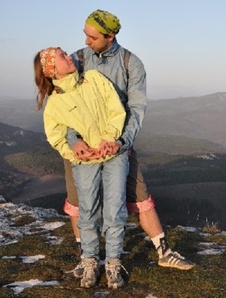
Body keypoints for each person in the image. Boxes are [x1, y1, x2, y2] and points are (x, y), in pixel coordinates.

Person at [63, 9, 195, 277]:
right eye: (85, 35)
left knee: (139, 195)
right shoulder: (77, 59)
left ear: (110, 36)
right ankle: (85, 258)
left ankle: (164, 252)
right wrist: (74, 140)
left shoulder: (130, 64)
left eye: (93, 37)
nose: (86, 42)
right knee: (78, 202)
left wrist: (122, 142)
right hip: (81, 147)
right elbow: (67, 105)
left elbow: (136, 109)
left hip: (117, 146)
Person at [34, 47, 128, 289]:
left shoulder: (95, 79)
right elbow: (56, 137)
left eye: (66, 53)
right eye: (62, 57)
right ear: (51, 70)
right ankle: (90, 261)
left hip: (114, 154)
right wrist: (73, 150)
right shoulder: (54, 104)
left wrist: (110, 138)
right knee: (87, 212)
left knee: (115, 210)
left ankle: (114, 262)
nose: (69, 57)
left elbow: (116, 109)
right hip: (85, 163)